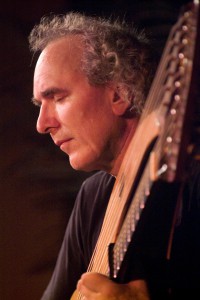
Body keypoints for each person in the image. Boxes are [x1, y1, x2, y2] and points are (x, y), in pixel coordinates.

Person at [29, 11, 200, 300]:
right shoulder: (92, 197)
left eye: (57, 98)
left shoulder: (192, 177)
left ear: (119, 94)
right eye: (39, 104)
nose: (42, 124)